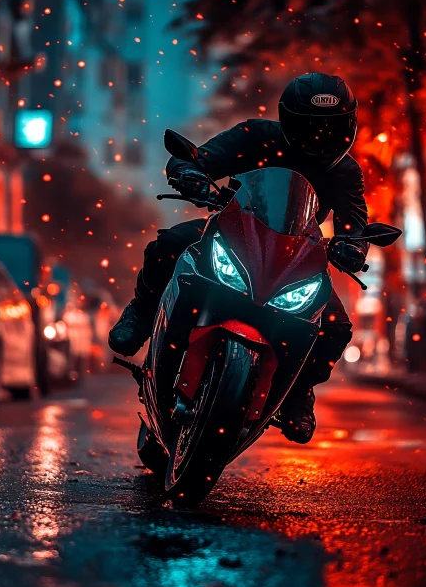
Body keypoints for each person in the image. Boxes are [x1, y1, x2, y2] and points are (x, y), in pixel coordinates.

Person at [109, 73, 368, 444]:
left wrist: (353, 247)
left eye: (330, 128)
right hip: (231, 236)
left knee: (337, 328)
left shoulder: (345, 171)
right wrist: (189, 173)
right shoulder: (256, 135)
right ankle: (141, 312)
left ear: (348, 125)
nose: (320, 137)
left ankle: (297, 393)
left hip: (294, 262)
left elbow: (355, 226)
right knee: (169, 245)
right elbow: (199, 158)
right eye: (311, 127)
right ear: (288, 120)